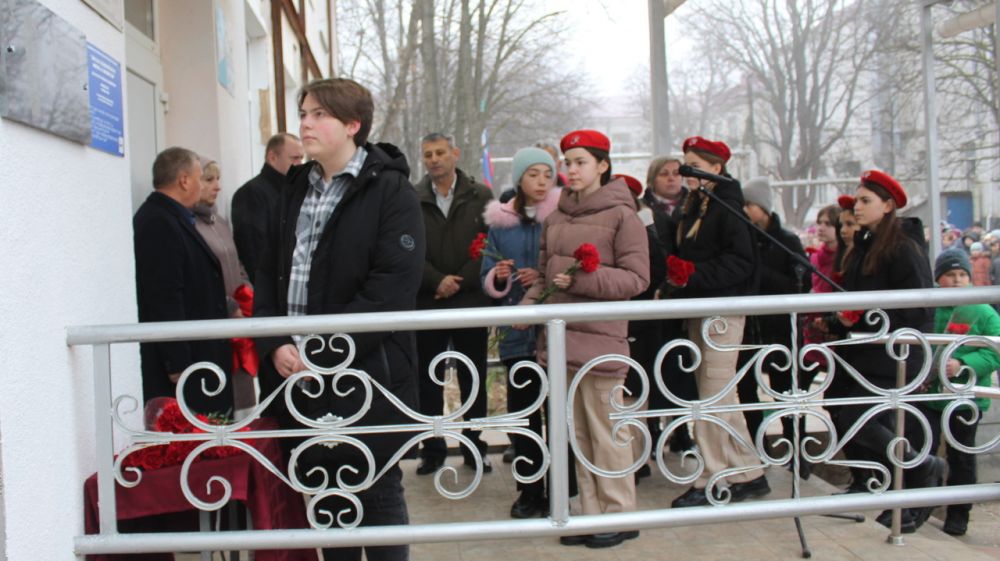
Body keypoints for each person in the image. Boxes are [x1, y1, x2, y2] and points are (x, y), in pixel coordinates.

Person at [253, 78, 425, 561]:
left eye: (319, 114)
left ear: (353, 125)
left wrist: (321, 349)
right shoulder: (293, 188)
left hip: (366, 372)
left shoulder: (391, 191)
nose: (305, 124)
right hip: (297, 376)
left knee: (376, 492)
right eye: (303, 113)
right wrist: (274, 342)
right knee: (325, 497)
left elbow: (392, 288)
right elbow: (266, 274)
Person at [520, 129, 649, 548]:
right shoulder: (556, 217)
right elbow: (544, 275)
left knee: (606, 431)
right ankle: (591, 514)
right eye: (568, 162)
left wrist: (586, 278)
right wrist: (526, 308)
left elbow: (637, 278)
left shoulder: (622, 216)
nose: (571, 170)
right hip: (560, 342)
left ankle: (620, 513)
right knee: (577, 434)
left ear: (603, 166)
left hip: (601, 341)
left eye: (581, 162)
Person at [832, 170, 945, 533]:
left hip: (897, 355)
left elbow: (919, 306)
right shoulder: (865, 245)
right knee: (870, 421)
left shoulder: (903, 247)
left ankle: (921, 471)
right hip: (869, 354)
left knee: (860, 418)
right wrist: (843, 318)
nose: (857, 207)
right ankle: (906, 493)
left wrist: (867, 316)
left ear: (888, 206)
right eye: (857, 199)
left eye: (865, 201)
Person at [661, 136, 770, 508]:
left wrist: (694, 273)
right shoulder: (695, 205)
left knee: (712, 396)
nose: (686, 172)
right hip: (701, 310)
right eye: (685, 164)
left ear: (716, 169)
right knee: (719, 395)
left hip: (723, 313)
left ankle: (711, 477)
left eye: (694, 166)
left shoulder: (726, 206)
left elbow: (742, 262)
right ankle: (749, 473)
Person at [480, 146, 560, 518]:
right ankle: (529, 490)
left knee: (557, 413)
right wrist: (498, 277)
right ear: (519, 179)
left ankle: (561, 487)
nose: (541, 181)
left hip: (554, 334)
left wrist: (541, 278)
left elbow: (570, 267)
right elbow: (486, 272)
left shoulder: (559, 216)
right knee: (524, 414)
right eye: (533, 174)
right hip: (516, 332)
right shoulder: (501, 223)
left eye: (547, 174)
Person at [414, 132, 495, 475]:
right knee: (427, 381)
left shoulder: (480, 196)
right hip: (428, 302)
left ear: (455, 154)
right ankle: (432, 450)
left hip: (470, 300)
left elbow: (489, 243)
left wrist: (459, 280)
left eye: (440, 152)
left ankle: (475, 446)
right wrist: (436, 281)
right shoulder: (412, 198)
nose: (434, 159)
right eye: (428, 154)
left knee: (472, 378)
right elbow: (407, 247)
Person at [133, 147, 233, 415]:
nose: (203, 186)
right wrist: (177, 362)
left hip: (200, 357)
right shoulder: (158, 222)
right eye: (201, 178)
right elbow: (165, 295)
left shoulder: (174, 217)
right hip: (187, 366)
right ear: (184, 180)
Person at [910, 248, 1000, 536]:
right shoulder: (928, 308)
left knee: (962, 456)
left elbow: (994, 351)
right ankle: (919, 505)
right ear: (938, 279)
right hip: (928, 396)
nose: (957, 280)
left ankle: (959, 514)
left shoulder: (982, 311)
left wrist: (963, 364)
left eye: (962, 274)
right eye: (950, 274)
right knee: (921, 449)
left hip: (965, 400)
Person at [736, 177, 810, 474]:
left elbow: (801, 284)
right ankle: (758, 449)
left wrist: (760, 272)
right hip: (750, 329)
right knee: (746, 389)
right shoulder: (742, 239)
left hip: (780, 330)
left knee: (786, 391)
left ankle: (797, 450)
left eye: (749, 204)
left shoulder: (786, 241)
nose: (744, 210)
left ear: (764, 208)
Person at [641, 156, 696, 453]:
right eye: (664, 174)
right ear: (652, 180)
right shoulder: (643, 209)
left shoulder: (693, 207)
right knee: (652, 365)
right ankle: (651, 429)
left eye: (676, 173)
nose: (672, 178)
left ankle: (681, 429)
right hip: (652, 298)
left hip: (683, 298)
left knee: (680, 367)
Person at [193, 159, 255, 414]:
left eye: (218, 179)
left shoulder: (219, 221)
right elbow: (200, 275)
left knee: (244, 397)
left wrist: (247, 292)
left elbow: (237, 263)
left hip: (238, 318)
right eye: (209, 180)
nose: (217, 186)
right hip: (216, 318)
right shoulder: (191, 225)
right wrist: (228, 305)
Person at [231, 132, 305, 283]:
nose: (299, 164)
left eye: (301, 158)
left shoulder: (293, 190)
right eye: (294, 158)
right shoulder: (251, 193)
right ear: (272, 157)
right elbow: (253, 249)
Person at [810, 204, 840, 293]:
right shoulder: (815, 256)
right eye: (819, 223)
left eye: (828, 224)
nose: (821, 228)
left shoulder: (846, 257)